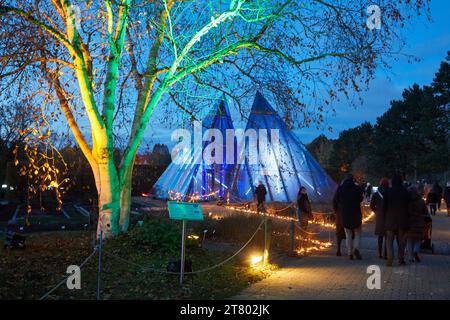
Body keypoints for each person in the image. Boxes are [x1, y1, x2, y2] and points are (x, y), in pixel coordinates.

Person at [333, 174, 363, 260]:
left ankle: (350, 253)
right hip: (356, 214)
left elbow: (336, 200)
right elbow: (361, 199)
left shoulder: (340, 188)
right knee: (358, 233)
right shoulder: (357, 188)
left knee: (348, 234)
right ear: (353, 179)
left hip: (345, 214)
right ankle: (356, 248)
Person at [384, 174, 410, 267]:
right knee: (402, 241)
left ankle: (390, 258)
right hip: (402, 220)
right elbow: (409, 207)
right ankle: (400, 259)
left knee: (389, 240)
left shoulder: (388, 191)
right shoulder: (406, 192)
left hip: (390, 220)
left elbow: (384, 206)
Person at [406, 185, 427, 263]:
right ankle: (416, 251)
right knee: (418, 239)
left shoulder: (407, 201)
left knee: (409, 240)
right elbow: (425, 211)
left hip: (409, 222)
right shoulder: (421, 201)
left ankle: (410, 258)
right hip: (419, 222)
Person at [370, 177, 389, 259]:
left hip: (380, 216)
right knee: (387, 236)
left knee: (380, 236)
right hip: (388, 216)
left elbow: (371, 205)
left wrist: (376, 211)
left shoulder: (376, 193)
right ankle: (386, 253)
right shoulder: (390, 192)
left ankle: (379, 253)